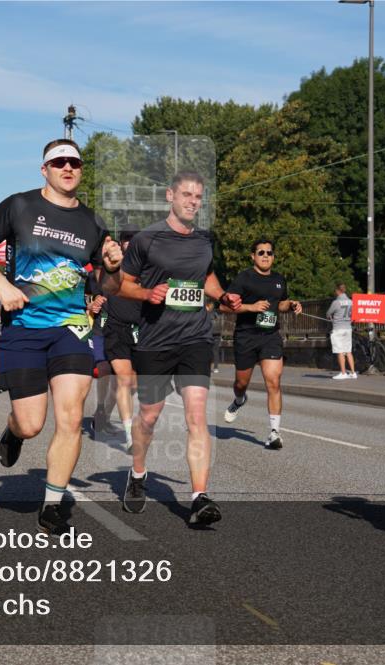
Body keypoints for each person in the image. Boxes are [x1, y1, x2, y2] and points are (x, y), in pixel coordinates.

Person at [0, 138, 122, 535]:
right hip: (23, 329)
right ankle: (13, 430)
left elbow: (110, 286)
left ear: (81, 170)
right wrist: (0, 284)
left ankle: (53, 504)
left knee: (70, 417)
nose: (67, 168)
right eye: (59, 162)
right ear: (44, 169)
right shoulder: (20, 205)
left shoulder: (93, 223)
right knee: (32, 423)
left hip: (72, 328)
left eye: (74, 162)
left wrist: (114, 268)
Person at [104, 171, 241, 524]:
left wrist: (222, 295)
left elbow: (207, 276)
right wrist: (147, 293)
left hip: (195, 337)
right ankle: (137, 475)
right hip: (154, 341)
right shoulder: (148, 240)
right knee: (149, 416)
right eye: (187, 195)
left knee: (197, 415)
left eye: (198, 197)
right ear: (170, 195)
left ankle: (199, 498)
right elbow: (122, 286)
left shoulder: (205, 240)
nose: (193, 202)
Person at [221, 239, 301, 449]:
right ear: (253, 256)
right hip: (246, 336)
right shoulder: (244, 277)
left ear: (274, 256)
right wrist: (251, 307)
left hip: (270, 336)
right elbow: (225, 307)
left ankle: (274, 433)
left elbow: (281, 303)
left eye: (269, 252)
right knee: (241, 383)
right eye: (261, 252)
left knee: (273, 381)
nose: (266, 256)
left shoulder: (279, 279)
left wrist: (291, 304)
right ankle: (239, 400)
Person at [102, 225, 142, 448]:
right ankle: (129, 436)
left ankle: (104, 413)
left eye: (135, 238)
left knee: (130, 384)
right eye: (127, 238)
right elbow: (93, 286)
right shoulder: (113, 265)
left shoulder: (148, 268)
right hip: (115, 328)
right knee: (124, 378)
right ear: (121, 242)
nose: (131, 241)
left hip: (140, 330)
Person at [87, 271, 119, 437]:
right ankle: (100, 411)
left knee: (120, 382)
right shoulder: (94, 275)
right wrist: (90, 304)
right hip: (100, 332)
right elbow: (82, 297)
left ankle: (104, 417)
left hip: (123, 333)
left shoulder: (135, 271)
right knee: (104, 369)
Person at [327, 283, 357, 380]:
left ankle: (343, 373)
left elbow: (328, 313)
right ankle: (353, 373)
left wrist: (331, 317)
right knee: (348, 351)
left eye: (335, 291)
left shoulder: (336, 302)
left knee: (339, 351)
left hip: (338, 329)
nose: (335, 292)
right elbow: (353, 315)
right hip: (348, 328)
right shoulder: (350, 301)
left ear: (338, 291)